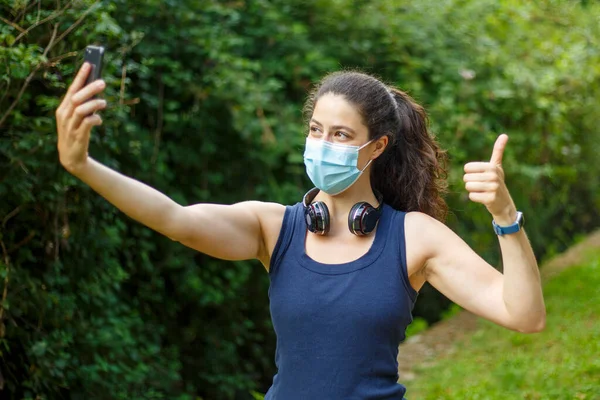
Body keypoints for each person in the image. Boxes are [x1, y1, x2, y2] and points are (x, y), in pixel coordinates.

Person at [55, 64, 546, 399]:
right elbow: (174, 219)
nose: (322, 144)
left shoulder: (414, 237)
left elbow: (523, 314)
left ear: (376, 148)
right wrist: (83, 165)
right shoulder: (274, 227)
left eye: (340, 135)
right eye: (315, 130)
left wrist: (505, 215)